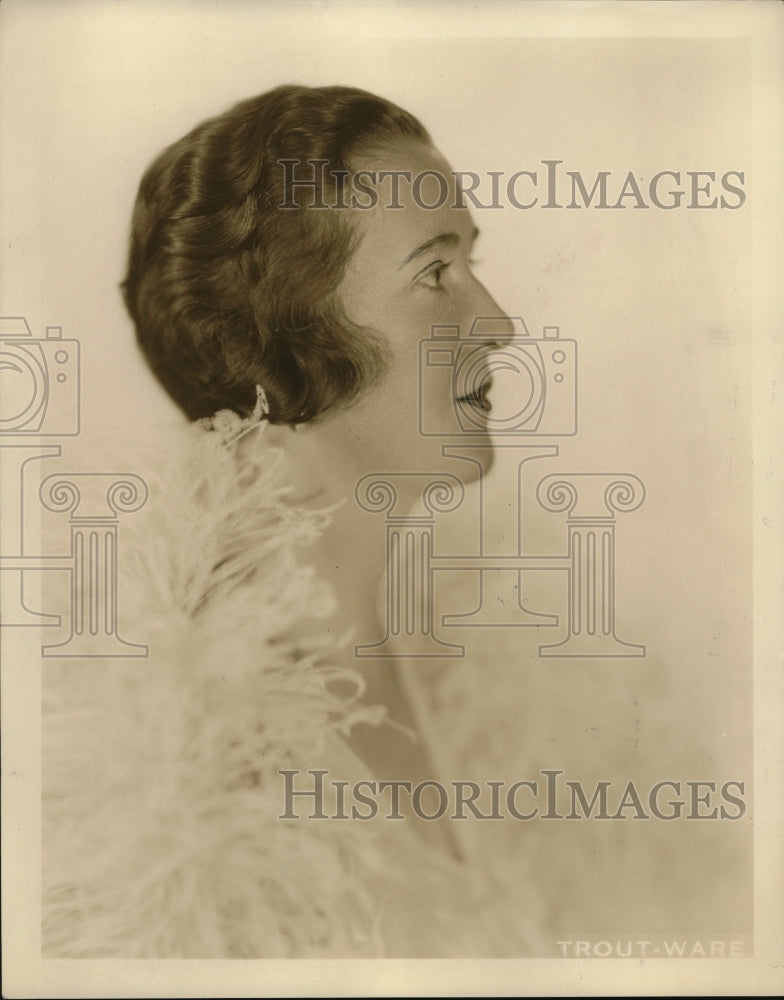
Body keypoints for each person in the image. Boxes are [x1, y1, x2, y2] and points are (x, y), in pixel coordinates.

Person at [42, 85, 544, 959]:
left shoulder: (481, 671)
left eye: (472, 263)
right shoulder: (180, 781)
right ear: (287, 337)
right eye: (434, 273)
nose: (498, 323)